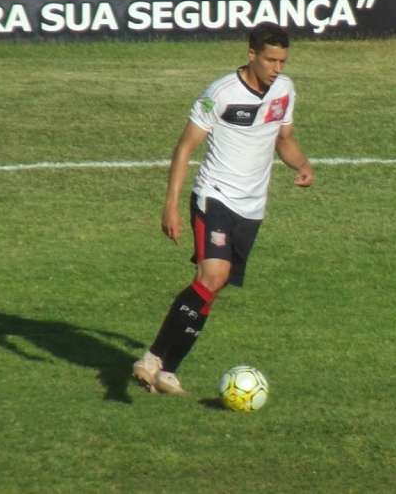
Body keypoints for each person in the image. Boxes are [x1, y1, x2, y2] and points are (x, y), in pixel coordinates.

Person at [132, 23, 314, 395]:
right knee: (212, 276)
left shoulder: (285, 89)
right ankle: (152, 358)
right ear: (251, 54)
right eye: (270, 60)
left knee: (211, 288)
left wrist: (302, 164)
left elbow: (284, 138)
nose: (277, 68)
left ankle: (167, 371)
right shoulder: (220, 94)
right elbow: (185, 147)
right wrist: (170, 206)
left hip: (252, 208)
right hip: (214, 197)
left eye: (283, 61)